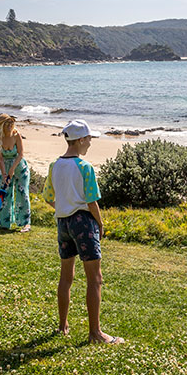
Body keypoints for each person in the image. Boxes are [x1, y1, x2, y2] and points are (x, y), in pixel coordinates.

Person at [41, 119, 122, 345]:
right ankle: (95, 333)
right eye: (89, 139)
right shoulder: (84, 167)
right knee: (95, 279)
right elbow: (92, 201)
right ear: (80, 140)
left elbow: (48, 197)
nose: (90, 143)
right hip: (83, 223)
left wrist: (62, 207)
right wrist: (101, 223)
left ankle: (62, 325)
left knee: (66, 276)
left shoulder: (54, 166)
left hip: (63, 223)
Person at [0, 114, 31, 232]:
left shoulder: (16, 135)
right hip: (5, 168)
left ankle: (25, 224)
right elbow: (0, 158)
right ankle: (5, 223)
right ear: (1, 125)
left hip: (19, 167)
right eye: (7, 123)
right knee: (5, 195)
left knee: (22, 193)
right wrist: (4, 174)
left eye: (11, 123)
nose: (10, 125)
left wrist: (12, 170)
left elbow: (20, 154)